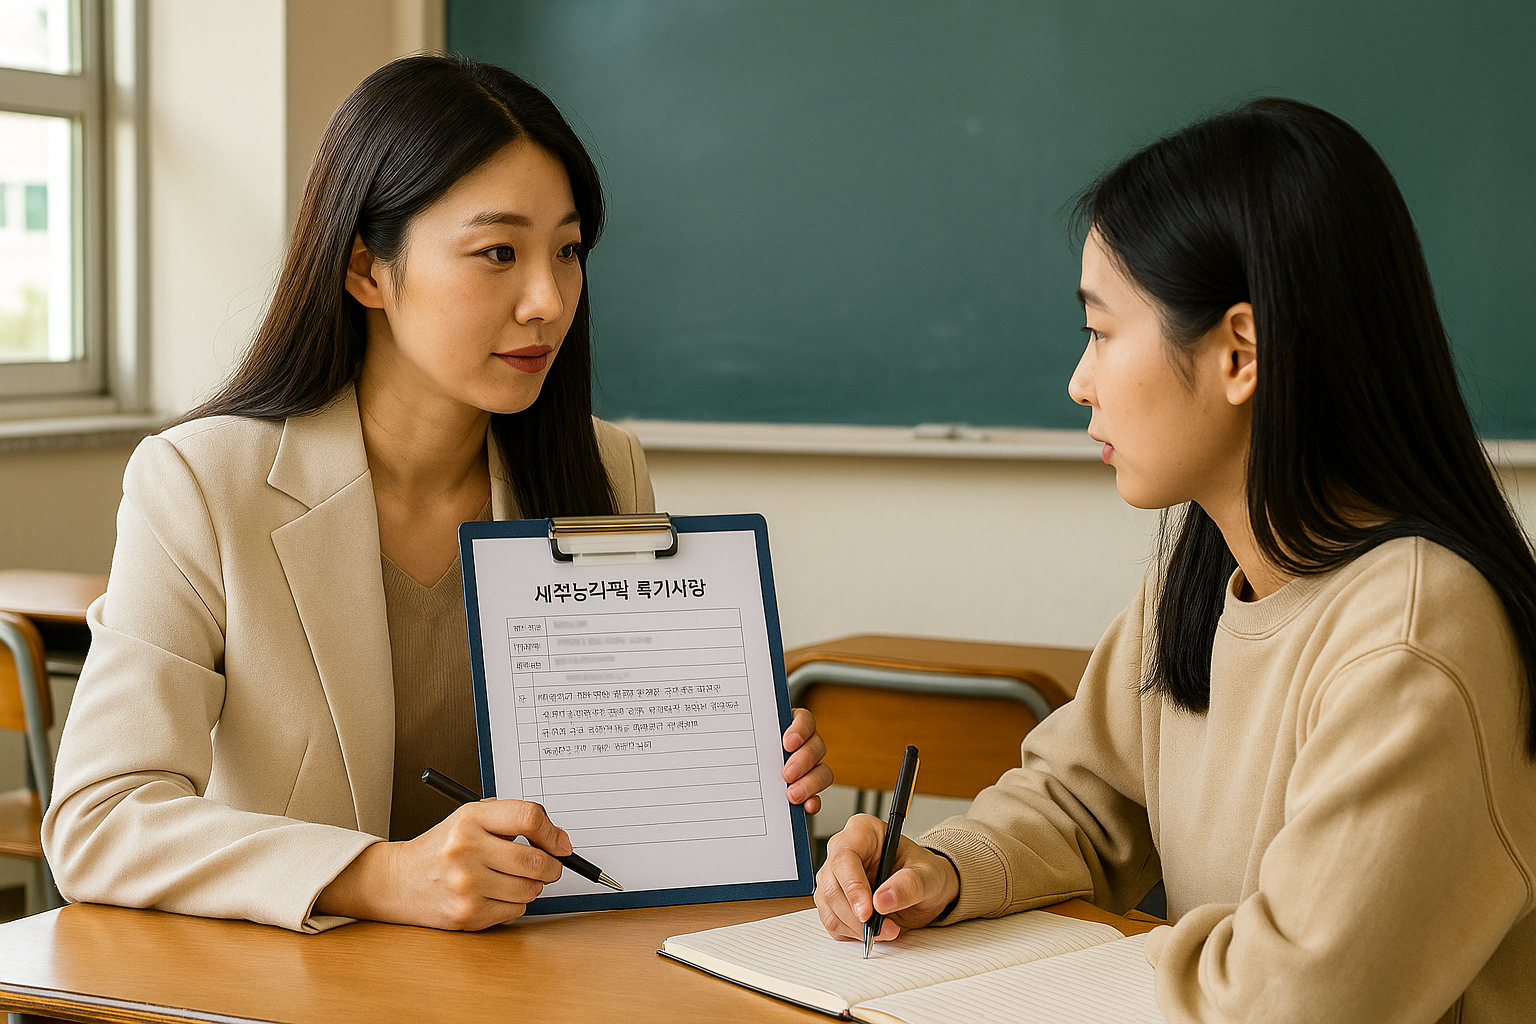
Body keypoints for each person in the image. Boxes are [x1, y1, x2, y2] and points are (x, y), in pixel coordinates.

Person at [42, 55, 831, 934]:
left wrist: (733, 779)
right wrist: (381, 876)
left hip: (531, 971)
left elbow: (620, 797)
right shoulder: (202, 482)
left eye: (567, 251)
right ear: (366, 269)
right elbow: (99, 819)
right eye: (499, 253)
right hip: (294, 978)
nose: (548, 300)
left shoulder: (604, 468)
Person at [815, 98, 1536, 1023]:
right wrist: (944, 868)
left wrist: (1096, 962)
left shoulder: (1414, 635)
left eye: (1101, 331)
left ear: (1240, 353)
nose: (1079, 381)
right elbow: (1082, 801)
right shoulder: (1203, 578)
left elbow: (1292, 1002)